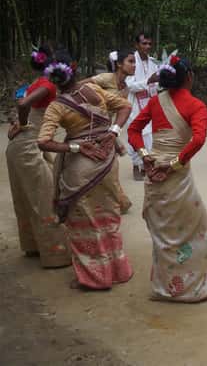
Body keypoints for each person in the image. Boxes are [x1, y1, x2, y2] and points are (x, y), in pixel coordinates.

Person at [37, 51, 134, 290]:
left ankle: (95, 277)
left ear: (53, 80)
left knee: (84, 221)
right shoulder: (96, 92)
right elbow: (125, 106)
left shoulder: (56, 107)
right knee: (109, 214)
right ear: (73, 70)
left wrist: (75, 146)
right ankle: (119, 271)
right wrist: (113, 132)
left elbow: (43, 142)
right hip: (108, 160)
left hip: (80, 167)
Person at [129, 56, 207, 302]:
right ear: (189, 77)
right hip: (176, 177)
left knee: (163, 234)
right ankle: (193, 289)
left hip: (153, 174)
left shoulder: (155, 102)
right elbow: (199, 139)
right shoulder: (196, 106)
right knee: (197, 229)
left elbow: (133, 130)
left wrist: (145, 155)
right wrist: (175, 164)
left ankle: (164, 288)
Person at [6, 47, 71, 268]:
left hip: (20, 148)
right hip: (28, 149)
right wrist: (23, 125)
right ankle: (57, 256)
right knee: (45, 199)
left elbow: (27, 106)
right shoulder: (48, 84)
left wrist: (20, 125)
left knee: (26, 199)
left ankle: (33, 246)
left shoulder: (36, 83)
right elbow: (23, 105)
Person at [86, 49, 138, 213]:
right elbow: (79, 87)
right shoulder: (106, 78)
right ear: (120, 64)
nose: (134, 65)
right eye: (130, 61)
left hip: (107, 130)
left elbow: (120, 110)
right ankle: (118, 201)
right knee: (105, 166)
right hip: (91, 127)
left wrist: (114, 132)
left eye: (135, 62)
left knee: (106, 166)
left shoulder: (126, 87)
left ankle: (115, 201)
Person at [125, 32, 159, 181]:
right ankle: (135, 164)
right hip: (134, 104)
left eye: (149, 44)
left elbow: (156, 84)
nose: (147, 46)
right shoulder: (131, 61)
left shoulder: (153, 63)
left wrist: (157, 83)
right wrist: (148, 81)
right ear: (136, 45)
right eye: (144, 43)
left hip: (150, 102)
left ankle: (146, 164)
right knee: (135, 133)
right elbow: (130, 85)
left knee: (150, 135)